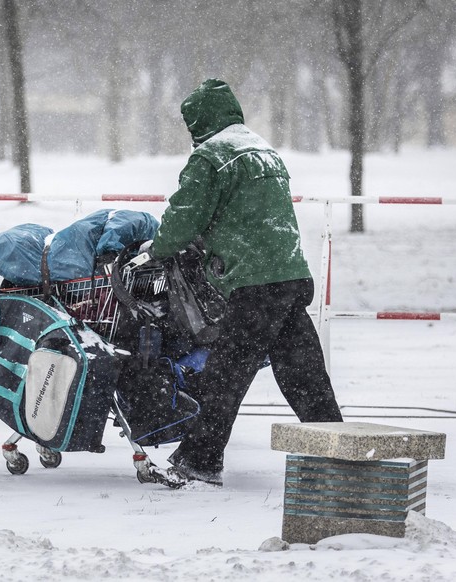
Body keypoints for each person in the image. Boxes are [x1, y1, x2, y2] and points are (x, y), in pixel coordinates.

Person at [145, 78, 343, 488]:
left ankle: (200, 459)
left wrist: (159, 249)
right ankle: (336, 450)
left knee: (225, 375)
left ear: (200, 121)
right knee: (303, 373)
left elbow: (184, 218)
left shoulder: (212, 156)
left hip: (254, 285)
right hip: (289, 276)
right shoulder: (264, 151)